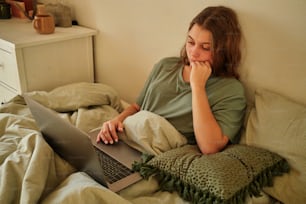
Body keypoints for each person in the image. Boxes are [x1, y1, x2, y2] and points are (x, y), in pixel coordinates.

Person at [96, 6, 246, 154]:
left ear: (223, 50)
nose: (193, 53)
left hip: (154, 156)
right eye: (191, 42)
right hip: (124, 141)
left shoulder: (231, 90)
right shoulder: (165, 66)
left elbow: (209, 147)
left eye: (205, 47)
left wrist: (198, 86)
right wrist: (116, 121)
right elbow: (137, 107)